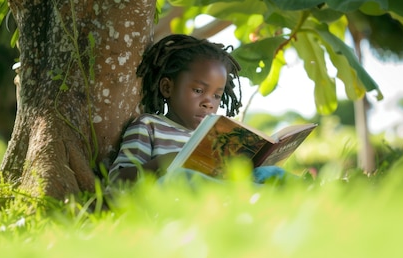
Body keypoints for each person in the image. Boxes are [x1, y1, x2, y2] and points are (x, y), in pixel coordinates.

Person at [108, 34, 287, 186]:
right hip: (172, 198)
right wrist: (165, 162)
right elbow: (118, 181)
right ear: (167, 88)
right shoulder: (149, 126)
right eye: (198, 91)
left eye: (217, 96)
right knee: (184, 177)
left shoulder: (218, 139)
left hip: (216, 198)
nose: (208, 103)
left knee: (271, 173)